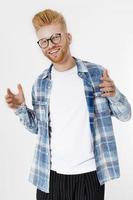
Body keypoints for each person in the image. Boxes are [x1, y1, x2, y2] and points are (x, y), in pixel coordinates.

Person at [5, 9, 131, 200]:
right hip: (50, 177)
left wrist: (114, 94)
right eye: (44, 41)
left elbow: (125, 115)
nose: (51, 45)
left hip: (90, 176)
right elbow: (38, 128)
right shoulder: (41, 83)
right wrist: (20, 109)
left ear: (68, 37)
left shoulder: (96, 74)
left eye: (56, 37)